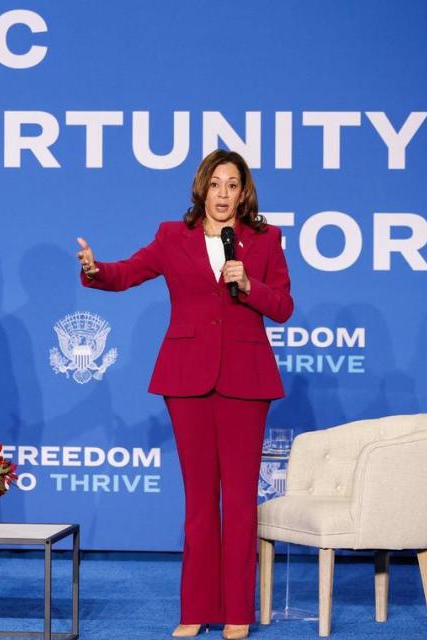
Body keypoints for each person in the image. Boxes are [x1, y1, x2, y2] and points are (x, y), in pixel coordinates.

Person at [76, 150, 292, 640]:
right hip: (187, 380)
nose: (222, 194)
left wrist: (249, 284)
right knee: (199, 500)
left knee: (238, 502)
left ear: (244, 192)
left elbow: (283, 305)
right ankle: (195, 609)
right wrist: (94, 269)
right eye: (215, 184)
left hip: (246, 380)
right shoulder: (174, 236)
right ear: (203, 188)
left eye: (232, 185)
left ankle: (238, 611)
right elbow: (127, 272)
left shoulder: (265, 239)